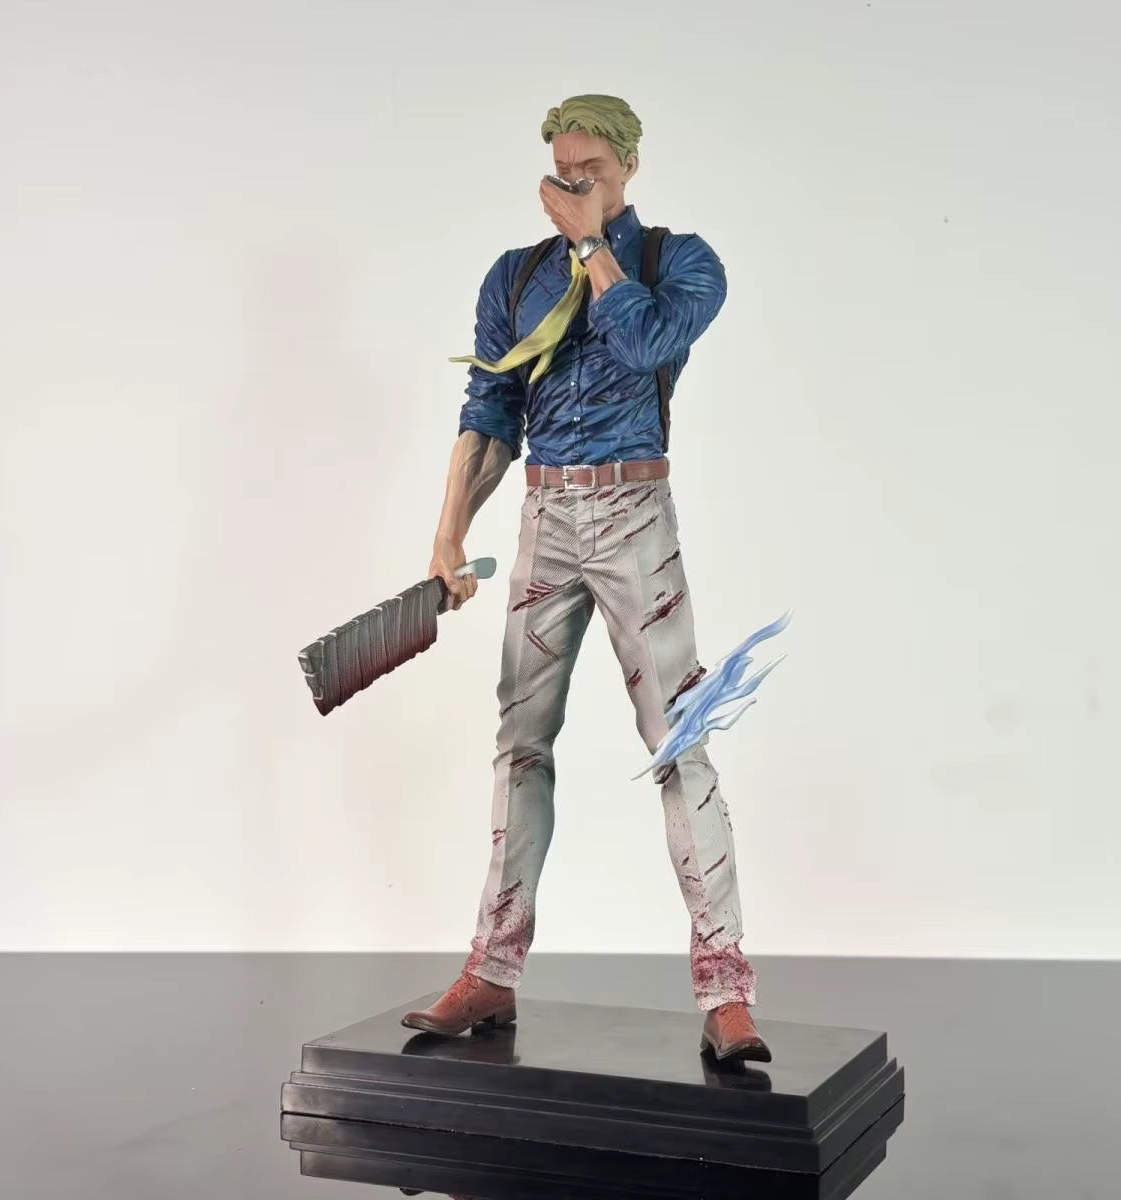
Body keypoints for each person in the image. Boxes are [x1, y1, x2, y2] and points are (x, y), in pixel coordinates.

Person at [401, 94, 769, 1062]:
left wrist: (595, 243)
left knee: (679, 738)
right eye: (561, 173)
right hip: (545, 515)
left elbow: (645, 344)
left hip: (635, 514)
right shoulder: (515, 276)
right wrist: (448, 532)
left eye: (591, 173)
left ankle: (726, 987)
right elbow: (490, 407)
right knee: (519, 743)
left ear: (629, 167)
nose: (570, 187)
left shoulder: (678, 262)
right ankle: (491, 968)